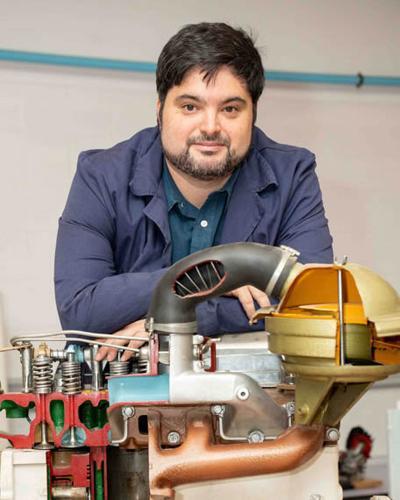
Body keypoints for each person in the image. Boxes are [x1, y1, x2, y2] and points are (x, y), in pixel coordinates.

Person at [55, 22, 333, 363]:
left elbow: (312, 303)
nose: (210, 127)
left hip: (254, 391)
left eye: (230, 109)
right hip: (127, 390)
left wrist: (169, 322)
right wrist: (216, 275)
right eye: (190, 107)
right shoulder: (100, 176)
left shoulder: (292, 175)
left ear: (253, 114)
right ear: (159, 110)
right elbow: (80, 310)